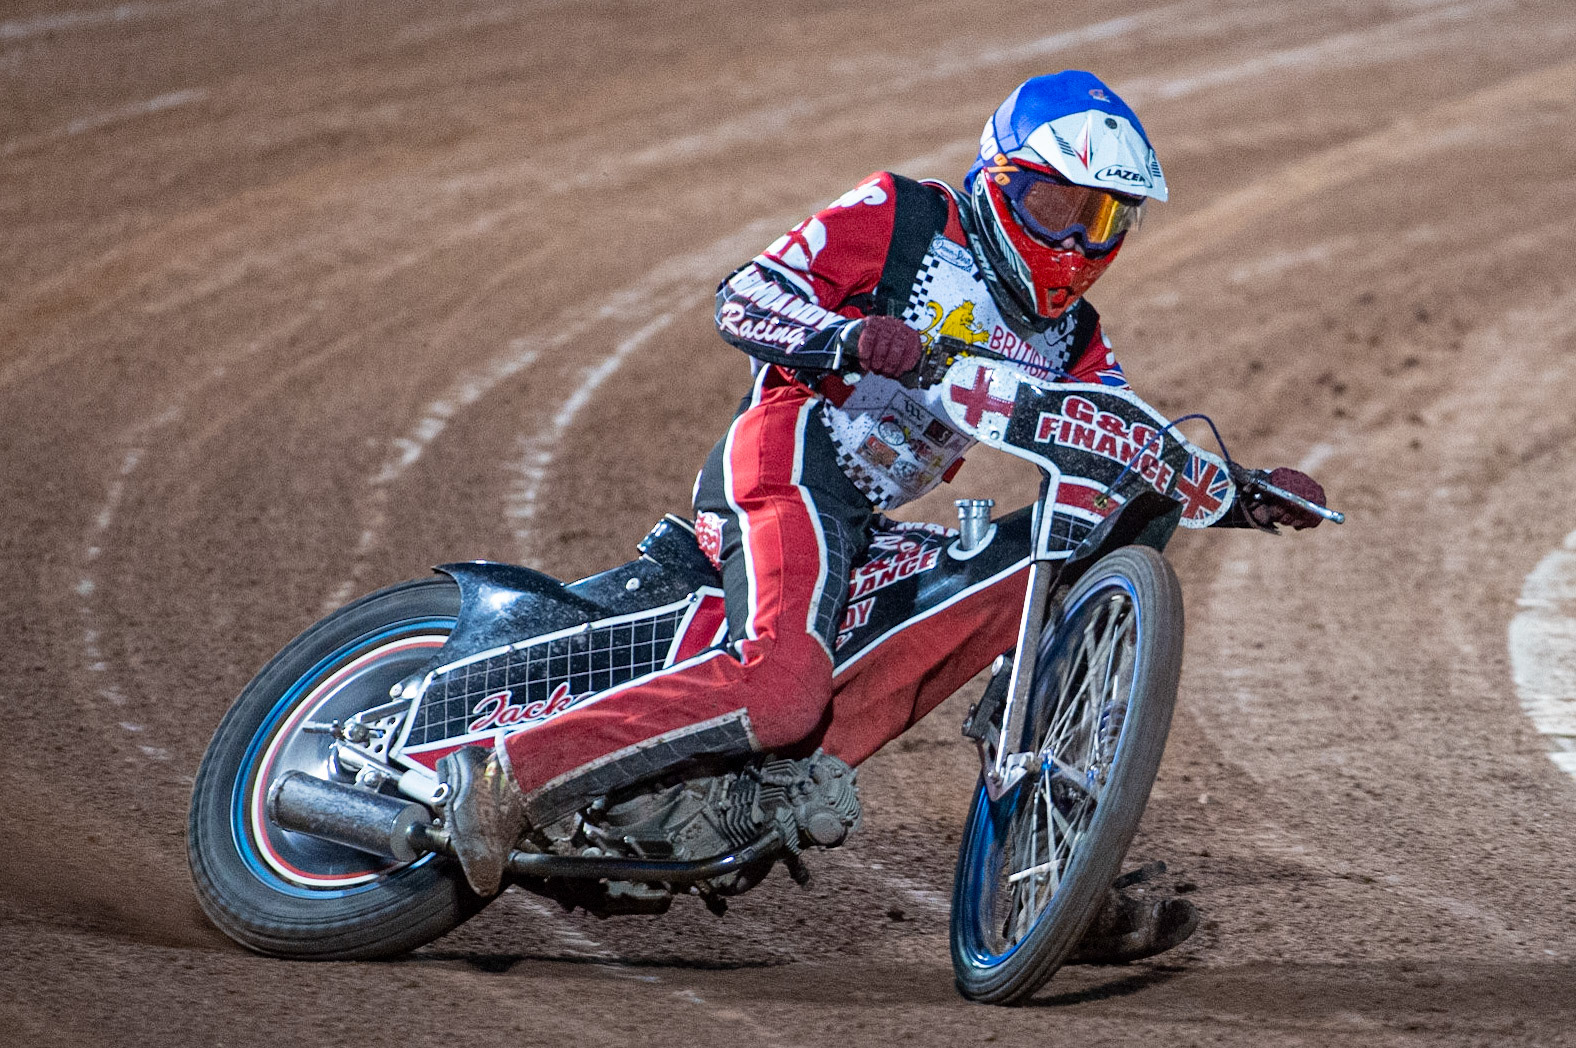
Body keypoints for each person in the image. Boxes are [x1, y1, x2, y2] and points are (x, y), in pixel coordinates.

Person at [438, 71, 1326, 959]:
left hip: (868, 522)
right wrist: (848, 337)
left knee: (1033, 568)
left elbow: (1115, 437)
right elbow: (743, 294)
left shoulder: (1072, 335)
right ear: (1001, 179)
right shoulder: (904, 216)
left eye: (1105, 219)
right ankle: (511, 772)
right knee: (782, 690)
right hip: (795, 452)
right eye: (1058, 203)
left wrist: (1243, 492)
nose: (1079, 239)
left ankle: (1049, 867)